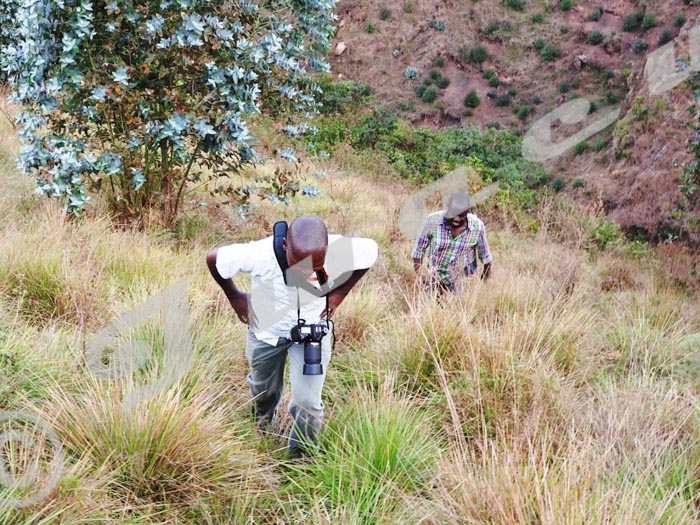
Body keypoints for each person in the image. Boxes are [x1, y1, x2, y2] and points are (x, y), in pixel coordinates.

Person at [206, 216, 378, 457]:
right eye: (298, 263)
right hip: (266, 332)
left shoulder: (341, 251)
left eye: (314, 265)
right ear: (285, 244)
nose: (305, 271)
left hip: (311, 333)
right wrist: (235, 297)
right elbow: (214, 258)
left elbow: (370, 252)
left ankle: (301, 457)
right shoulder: (259, 254)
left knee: (307, 403)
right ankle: (262, 427)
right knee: (263, 391)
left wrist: (340, 294)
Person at [412, 191, 492, 293]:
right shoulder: (432, 220)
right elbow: (418, 250)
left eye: (461, 215)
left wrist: (485, 282)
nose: (456, 219)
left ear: (467, 212)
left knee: (457, 306)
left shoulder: (477, 226)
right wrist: (420, 276)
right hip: (435, 276)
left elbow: (486, 257)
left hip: (463, 279)